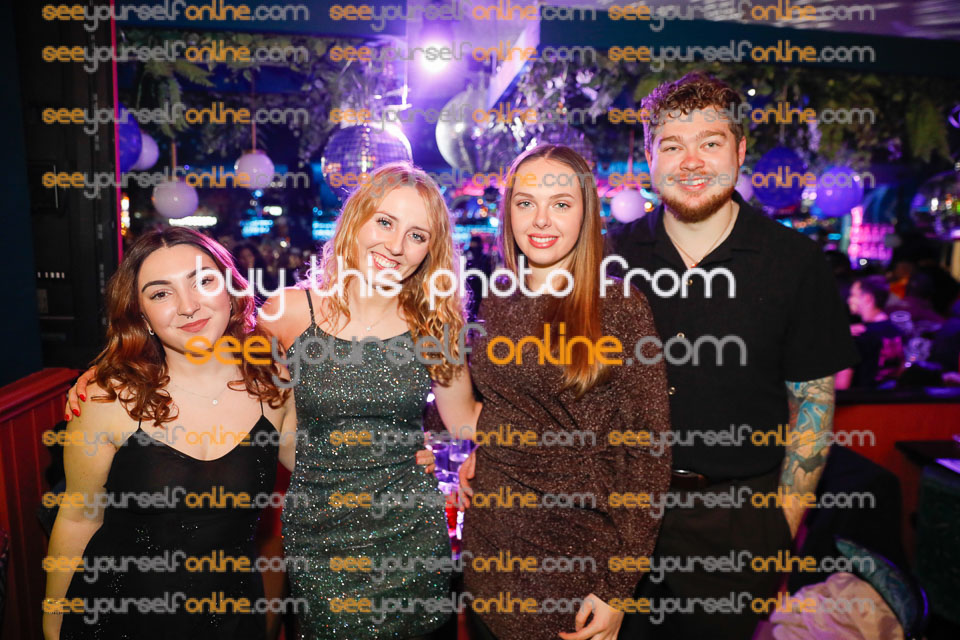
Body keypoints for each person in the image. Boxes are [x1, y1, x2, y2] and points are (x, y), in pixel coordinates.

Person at [603, 72, 859, 639]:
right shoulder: (610, 259)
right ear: (650, 158)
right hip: (614, 518)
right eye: (672, 145)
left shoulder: (794, 263)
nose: (691, 161)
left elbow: (813, 410)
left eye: (710, 142)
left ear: (740, 151)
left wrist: (778, 532)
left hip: (737, 527)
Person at [454, 145, 672, 640]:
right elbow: (509, 403)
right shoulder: (500, 295)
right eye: (525, 203)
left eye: (561, 204)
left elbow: (648, 455)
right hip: (488, 552)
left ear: (586, 213)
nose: (541, 220)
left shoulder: (618, 306)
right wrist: (483, 448)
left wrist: (618, 588)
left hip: (574, 564)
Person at [44, 228, 298, 639]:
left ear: (230, 289)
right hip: (119, 619)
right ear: (142, 315)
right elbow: (77, 517)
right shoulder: (107, 399)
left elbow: (327, 467)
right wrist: (53, 622)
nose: (188, 306)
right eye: (161, 293)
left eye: (203, 281)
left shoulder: (272, 385)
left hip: (231, 618)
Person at [836, 275, 904, 389]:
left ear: (867, 298)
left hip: (861, 399)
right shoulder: (897, 332)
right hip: (890, 398)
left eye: (853, 295)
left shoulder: (857, 336)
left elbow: (841, 386)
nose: (849, 300)